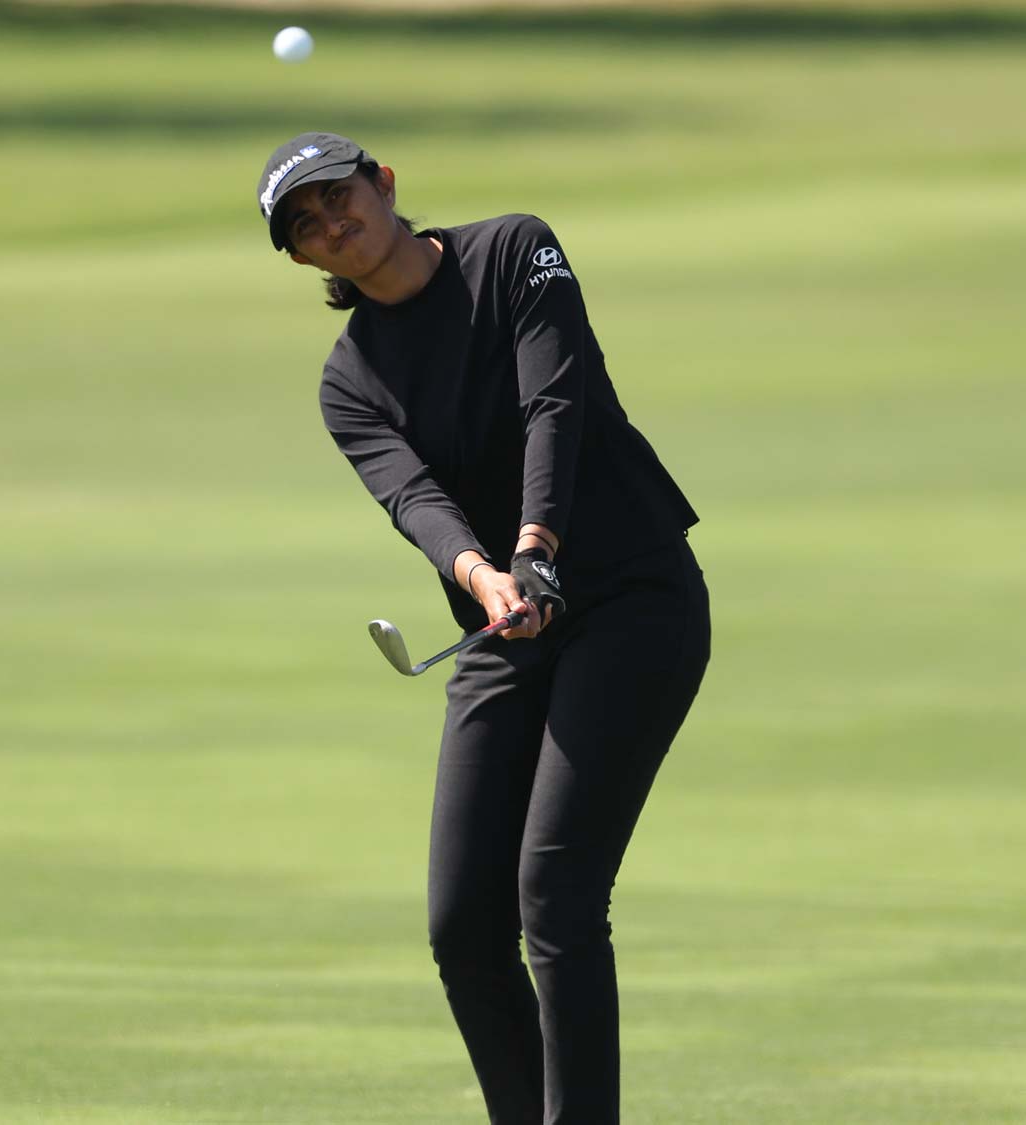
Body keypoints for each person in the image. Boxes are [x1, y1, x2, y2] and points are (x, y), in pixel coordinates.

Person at [257, 131, 711, 1125]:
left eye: (338, 198)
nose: (332, 225)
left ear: (382, 183)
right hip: (505, 628)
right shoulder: (350, 380)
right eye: (304, 227)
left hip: (632, 598)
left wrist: (536, 542)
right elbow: (411, 497)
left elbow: (556, 398)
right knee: (462, 925)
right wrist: (482, 574)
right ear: (301, 260)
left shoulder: (512, 250)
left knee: (552, 895)